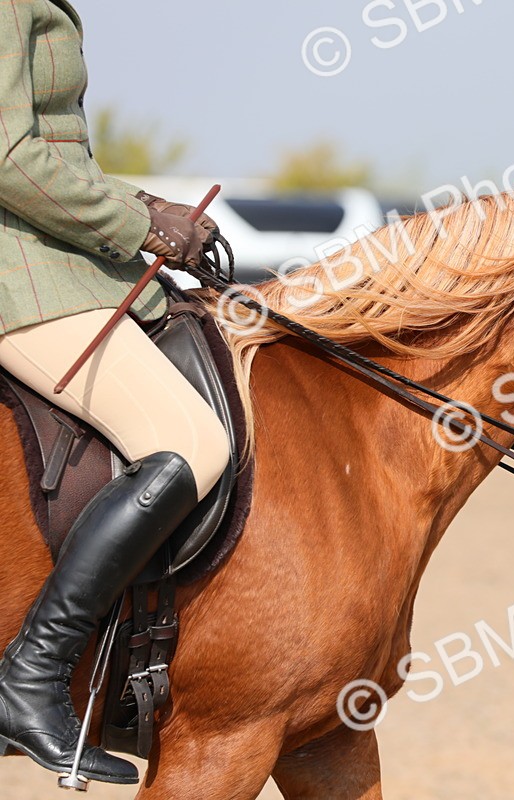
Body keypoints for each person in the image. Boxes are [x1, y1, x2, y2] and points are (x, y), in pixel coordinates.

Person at [0, 0, 232, 785]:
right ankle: (31, 679)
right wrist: (135, 227)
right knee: (192, 442)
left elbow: (55, 150)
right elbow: (8, 156)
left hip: (56, 263)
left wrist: (148, 210)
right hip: (20, 278)